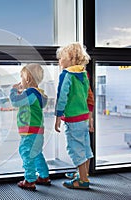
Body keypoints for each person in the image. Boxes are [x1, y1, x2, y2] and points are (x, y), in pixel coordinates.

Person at [54, 42, 94, 190]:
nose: (59, 61)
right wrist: (90, 117)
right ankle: (84, 175)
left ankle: (82, 181)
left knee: (75, 148)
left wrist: (58, 116)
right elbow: (89, 96)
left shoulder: (66, 75)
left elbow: (62, 97)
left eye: (61, 58)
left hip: (73, 119)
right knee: (85, 148)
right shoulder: (84, 74)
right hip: (83, 117)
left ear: (70, 58)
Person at [10, 63, 51, 191]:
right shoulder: (38, 94)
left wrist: (13, 90)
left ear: (27, 79)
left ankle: (29, 180)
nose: (20, 80)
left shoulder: (31, 93)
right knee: (37, 154)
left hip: (30, 132)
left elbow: (15, 101)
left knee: (26, 153)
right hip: (38, 132)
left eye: (21, 77)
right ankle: (44, 176)